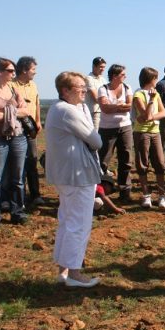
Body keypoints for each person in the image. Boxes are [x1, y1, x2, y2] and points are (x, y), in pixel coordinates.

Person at [45, 71, 102, 288]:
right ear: (65, 90)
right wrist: (84, 112)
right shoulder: (67, 110)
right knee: (79, 223)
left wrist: (84, 108)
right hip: (77, 174)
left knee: (68, 220)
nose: (84, 90)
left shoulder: (60, 108)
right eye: (80, 87)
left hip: (67, 174)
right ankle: (74, 274)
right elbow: (95, 140)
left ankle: (64, 269)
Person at [0, 57, 32, 229]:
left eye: (14, 71)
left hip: (18, 137)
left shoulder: (14, 88)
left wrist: (9, 112)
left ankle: (17, 212)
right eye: (10, 71)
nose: (14, 74)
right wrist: (15, 112)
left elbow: (27, 111)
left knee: (18, 178)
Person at [132, 67, 165, 209]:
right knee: (143, 164)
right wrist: (151, 101)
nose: (157, 81)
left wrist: (150, 118)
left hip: (155, 132)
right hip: (141, 133)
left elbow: (163, 113)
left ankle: (161, 196)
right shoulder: (139, 95)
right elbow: (145, 115)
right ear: (150, 79)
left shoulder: (156, 94)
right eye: (155, 78)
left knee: (160, 163)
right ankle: (146, 195)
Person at [11, 56, 44, 206]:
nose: (35, 73)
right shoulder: (11, 85)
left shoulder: (34, 85)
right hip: (16, 129)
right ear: (24, 70)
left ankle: (35, 194)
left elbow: (37, 103)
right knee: (17, 164)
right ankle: (19, 196)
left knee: (32, 160)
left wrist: (37, 121)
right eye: (33, 69)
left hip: (31, 129)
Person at [97, 64, 133, 201]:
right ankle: (99, 190)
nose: (125, 77)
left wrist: (114, 106)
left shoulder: (127, 87)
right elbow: (104, 108)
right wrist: (120, 105)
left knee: (126, 159)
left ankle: (125, 191)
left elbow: (129, 106)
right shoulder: (103, 89)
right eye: (123, 74)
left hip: (125, 127)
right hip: (106, 129)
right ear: (114, 76)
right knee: (103, 159)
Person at [85, 57, 107, 131]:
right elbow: (95, 97)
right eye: (101, 67)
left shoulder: (103, 79)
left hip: (103, 111)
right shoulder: (89, 78)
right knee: (95, 133)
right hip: (94, 112)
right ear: (94, 66)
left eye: (104, 67)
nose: (103, 69)